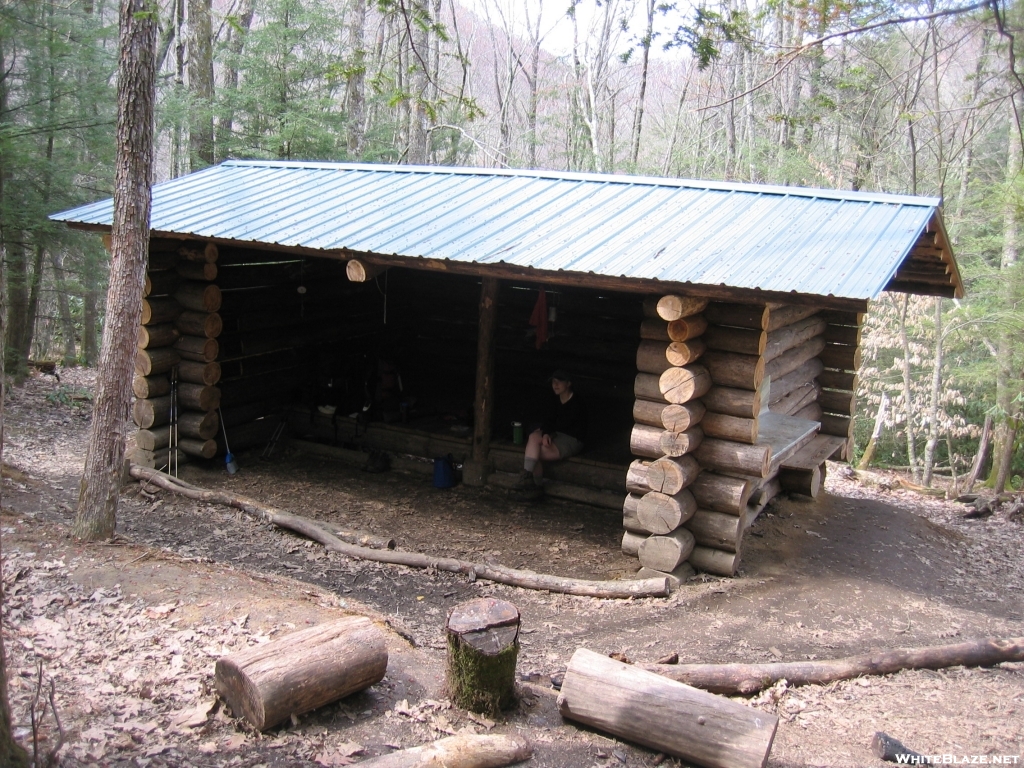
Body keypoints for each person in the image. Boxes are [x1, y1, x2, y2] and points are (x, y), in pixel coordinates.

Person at [514, 370, 587, 497]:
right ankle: (528, 479)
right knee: (533, 438)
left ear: (568, 383)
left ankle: (534, 485)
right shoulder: (553, 399)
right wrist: (546, 433)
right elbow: (548, 420)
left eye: (559, 382)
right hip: (556, 434)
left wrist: (550, 432)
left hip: (571, 438)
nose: (555, 385)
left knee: (535, 452)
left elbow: (569, 426)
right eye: (553, 382)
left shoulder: (577, 402)